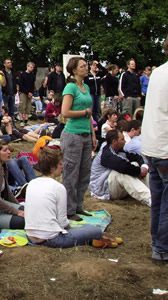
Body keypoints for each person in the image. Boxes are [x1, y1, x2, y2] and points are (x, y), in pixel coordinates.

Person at [25, 146, 103, 248]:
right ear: (52, 168)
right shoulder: (58, 187)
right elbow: (62, 222)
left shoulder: (31, 183)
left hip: (30, 236)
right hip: (51, 238)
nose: (62, 166)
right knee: (96, 230)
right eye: (60, 164)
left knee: (84, 229)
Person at [141, 35, 168, 261]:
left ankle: (157, 243)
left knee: (158, 199)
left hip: (152, 145)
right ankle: (162, 247)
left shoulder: (158, 72)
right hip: (165, 148)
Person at [60, 56, 97, 221]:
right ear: (74, 70)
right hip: (72, 135)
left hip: (85, 135)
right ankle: (69, 209)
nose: (86, 68)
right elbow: (65, 112)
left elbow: (89, 115)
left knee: (84, 173)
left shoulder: (86, 87)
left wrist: (93, 134)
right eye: (82, 66)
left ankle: (79, 205)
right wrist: (83, 113)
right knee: (71, 173)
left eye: (86, 65)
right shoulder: (70, 87)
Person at [89, 130, 151, 206]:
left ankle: (154, 193)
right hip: (102, 190)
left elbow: (137, 157)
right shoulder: (106, 154)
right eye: (122, 139)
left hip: (114, 187)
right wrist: (139, 171)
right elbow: (123, 167)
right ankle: (149, 199)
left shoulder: (119, 150)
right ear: (114, 141)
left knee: (135, 164)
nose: (125, 141)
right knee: (121, 172)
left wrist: (144, 166)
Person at [17, 62, 36, 126]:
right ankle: (21, 121)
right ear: (27, 67)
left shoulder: (32, 75)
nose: (32, 68)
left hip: (30, 93)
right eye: (30, 67)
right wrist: (27, 92)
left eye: (33, 67)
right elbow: (21, 85)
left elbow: (33, 85)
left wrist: (31, 92)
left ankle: (26, 121)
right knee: (23, 106)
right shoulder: (22, 74)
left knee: (28, 107)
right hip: (23, 93)